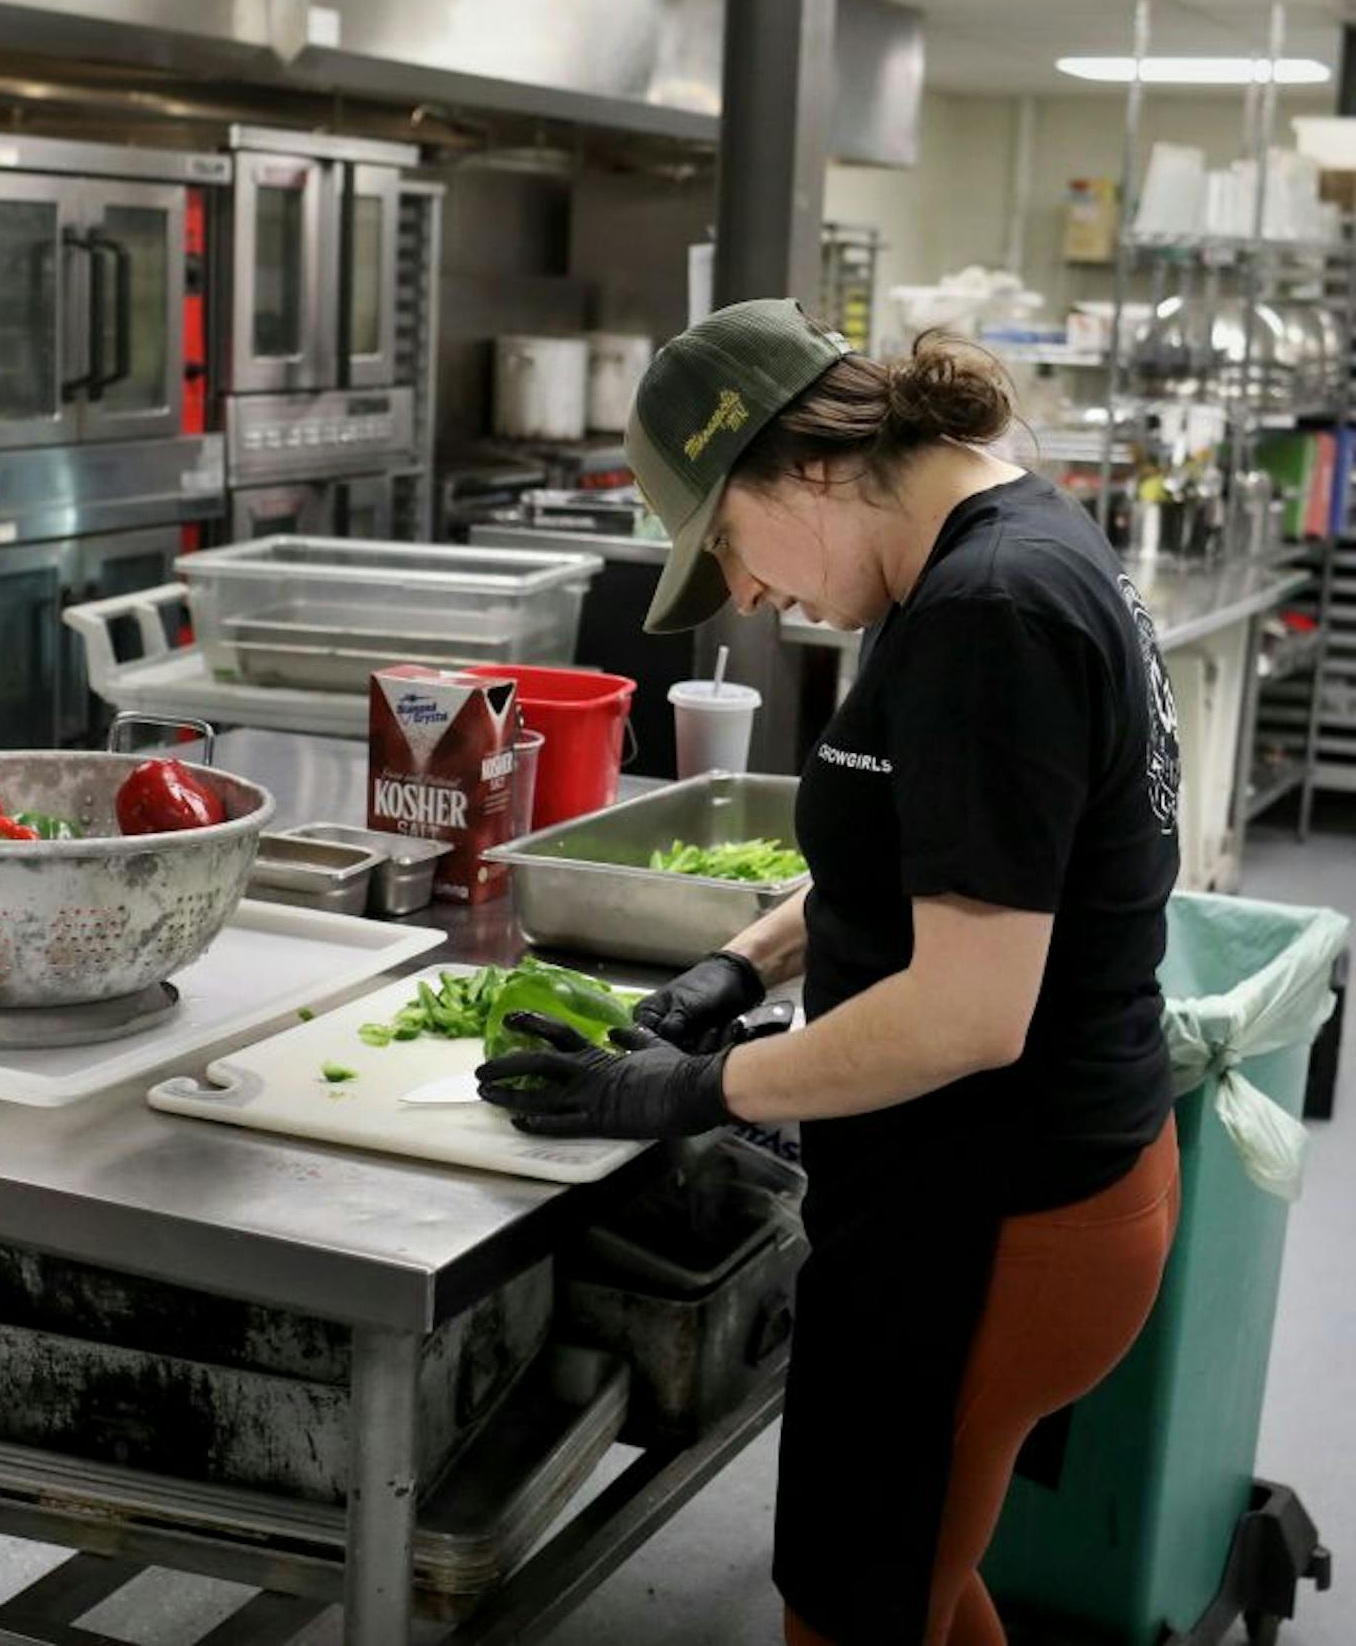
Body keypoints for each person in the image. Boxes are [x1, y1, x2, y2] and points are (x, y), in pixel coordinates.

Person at [476, 300, 1183, 1645]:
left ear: (795, 467)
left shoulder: (988, 612)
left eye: (728, 547)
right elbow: (919, 862)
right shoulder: (991, 557)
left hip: (995, 1214)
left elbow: (969, 1011)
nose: (745, 594)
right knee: (909, 1586)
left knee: (856, 1613)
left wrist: (691, 1091)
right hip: (1017, 1188)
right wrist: (732, 972)